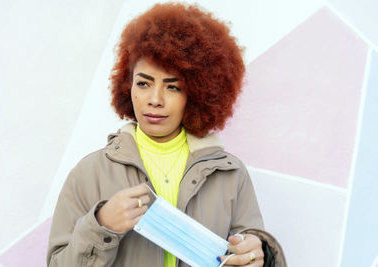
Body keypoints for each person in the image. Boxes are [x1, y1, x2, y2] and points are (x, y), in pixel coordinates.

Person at [47, 2, 286, 267]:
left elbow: (251, 251)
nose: (155, 99)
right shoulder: (89, 173)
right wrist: (101, 225)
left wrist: (257, 256)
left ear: (197, 94)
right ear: (128, 87)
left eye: (173, 87)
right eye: (143, 83)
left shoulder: (230, 175)